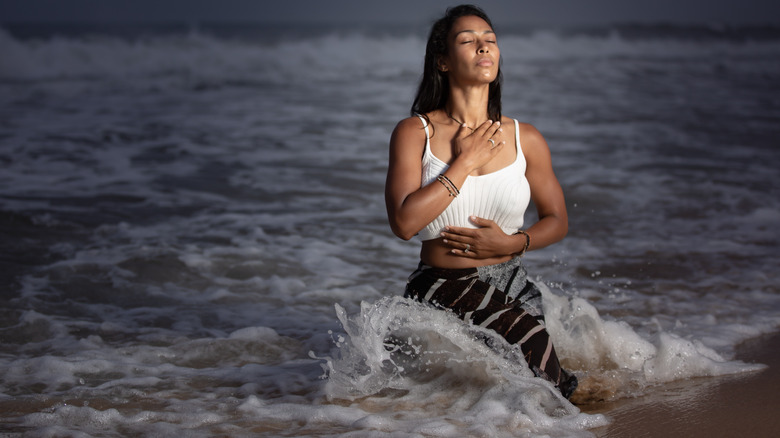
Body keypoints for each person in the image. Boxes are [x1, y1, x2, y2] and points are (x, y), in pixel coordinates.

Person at [384, 4, 577, 399]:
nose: (483, 47)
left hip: (513, 281)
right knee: (545, 373)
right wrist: (465, 161)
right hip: (443, 285)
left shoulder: (527, 138)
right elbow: (404, 224)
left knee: (532, 388)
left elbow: (557, 219)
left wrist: (513, 243)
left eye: (490, 40)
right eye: (468, 41)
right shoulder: (414, 132)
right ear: (443, 61)